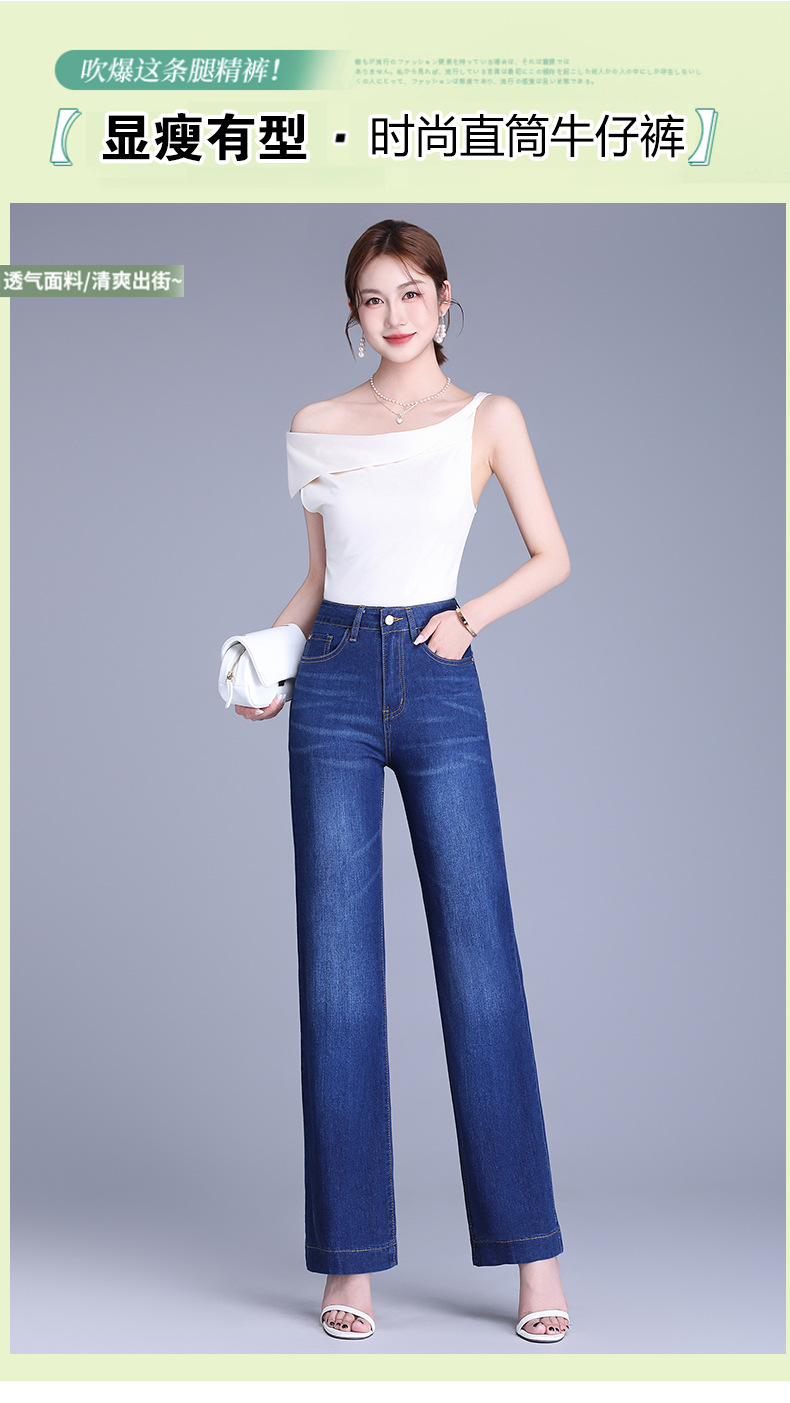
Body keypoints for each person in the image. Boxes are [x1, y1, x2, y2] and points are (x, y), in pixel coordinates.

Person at [236, 219, 572, 1345]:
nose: (393, 314)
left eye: (411, 292)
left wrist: (467, 618)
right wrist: (267, 659)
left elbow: (552, 553)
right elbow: (320, 575)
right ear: (354, 311)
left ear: (443, 298)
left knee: (481, 963)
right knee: (338, 972)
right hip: (332, 676)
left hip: (438, 672)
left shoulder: (488, 417)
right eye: (373, 297)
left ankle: (533, 1257)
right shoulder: (317, 422)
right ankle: (350, 1264)